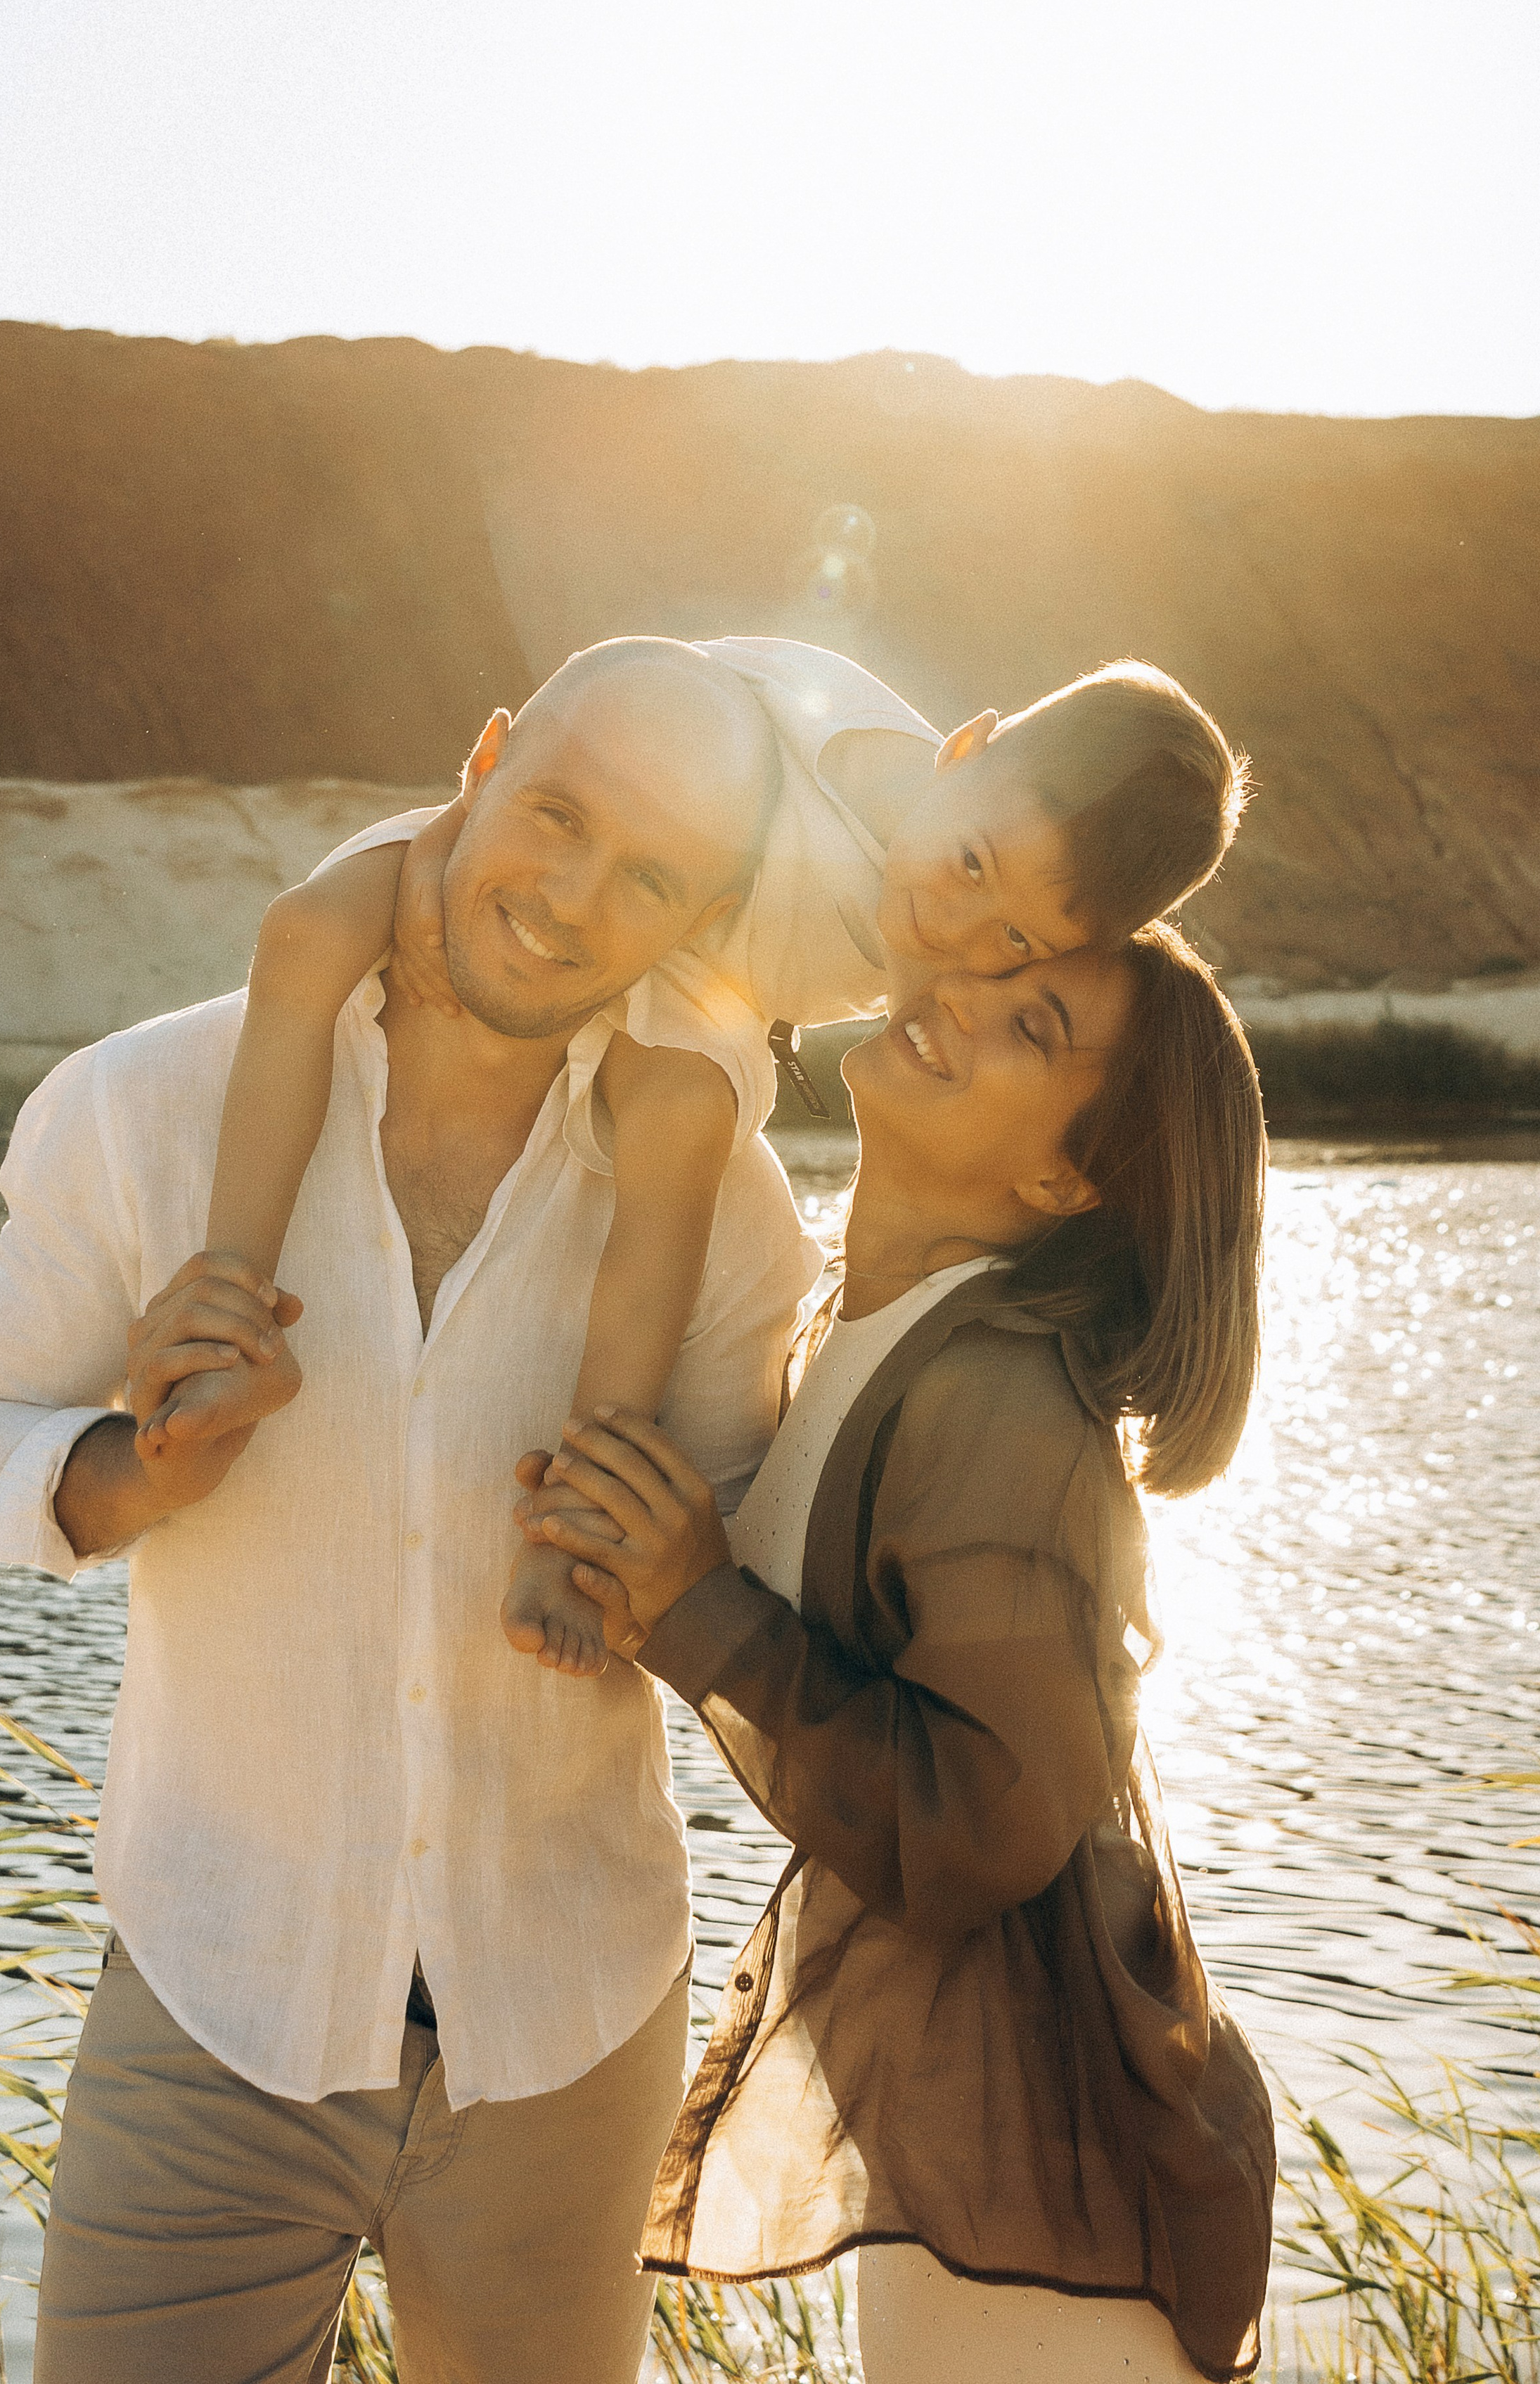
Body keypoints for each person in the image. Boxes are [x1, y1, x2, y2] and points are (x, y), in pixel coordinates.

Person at [0, 641, 826, 2384]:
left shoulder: (720, 1199)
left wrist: (683, 1560)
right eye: (554, 814)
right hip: (213, 1996)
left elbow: (745, 1560)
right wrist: (132, 1469)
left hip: (564, 2026)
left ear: (697, 917)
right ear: (478, 762)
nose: (568, 900)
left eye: (649, 877)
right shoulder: (147, 1106)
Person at [148, 634, 1246, 1677]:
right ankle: (223, 1315)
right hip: (598, 854)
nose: (956, 929)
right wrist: (451, 846)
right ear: (968, 747)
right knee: (306, 935)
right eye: (969, 863)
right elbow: (619, 706)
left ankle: (572, 1529)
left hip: (695, 978)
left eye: (1015, 939)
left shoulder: (950, 963)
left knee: (679, 1139)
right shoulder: (825, 720)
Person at [519, 924, 1276, 2383]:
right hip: (974, 2121)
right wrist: (647, 1561)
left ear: (1065, 1180)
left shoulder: (996, 1397)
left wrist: (694, 1608)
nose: (958, 1002)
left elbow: (989, 1822)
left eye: (1030, 1024)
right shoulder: (860, 1324)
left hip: (1044, 2148)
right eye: (984, 976)